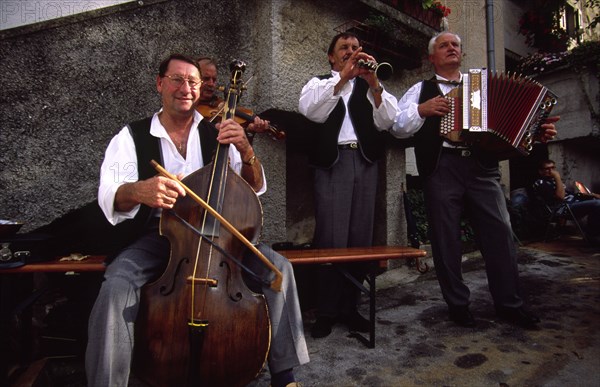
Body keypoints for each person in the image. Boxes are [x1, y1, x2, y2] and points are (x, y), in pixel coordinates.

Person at [85, 53, 308, 387]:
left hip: (222, 236)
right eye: (177, 79)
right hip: (162, 235)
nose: (185, 88)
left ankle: (285, 374)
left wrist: (247, 152)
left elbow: (255, 187)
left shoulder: (216, 133)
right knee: (116, 286)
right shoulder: (132, 136)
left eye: (193, 81)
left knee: (279, 270)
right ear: (160, 83)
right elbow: (110, 193)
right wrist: (140, 190)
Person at [390, 31, 559, 329]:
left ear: (462, 53)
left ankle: (510, 304)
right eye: (444, 45)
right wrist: (421, 109)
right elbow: (398, 127)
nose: (451, 48)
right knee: (445, 241)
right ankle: (458, 306)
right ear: (432, 57)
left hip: (482, 167)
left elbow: (509, 131)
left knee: (500, 234)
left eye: (456, 44)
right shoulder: (421, 88)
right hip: (442, 167)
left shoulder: (480, 87)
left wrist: (536, 134)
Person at [298, 32, 398, 338]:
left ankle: (350, 308)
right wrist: (343, 77)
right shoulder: (319, 83)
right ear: (331, 56)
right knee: (331, 239)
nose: (352, 52)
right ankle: (326, 311)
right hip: (333, 164)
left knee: (359, 240)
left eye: (356, 48)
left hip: (365, 164)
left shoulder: (371, 85)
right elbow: (310, 110)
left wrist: (374, 85)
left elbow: (388, 121)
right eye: (345, 48)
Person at [196, 56, 272, 138]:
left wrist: (248, 131)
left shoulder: (220, 105)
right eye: (206, 78)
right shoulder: (185, 108)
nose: (211, 84)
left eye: (214, 80)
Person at [532, 159, 600, 243]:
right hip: (562, 209)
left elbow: (569, 195)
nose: (551, 171)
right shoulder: (540, 183)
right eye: (547, 169)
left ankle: (594, 232)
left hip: (574, 203)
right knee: (597, 204)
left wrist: (591, 195)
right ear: (541, 171)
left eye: (553, 168)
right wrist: (557, 177)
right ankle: (592, 235)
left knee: (596, 199)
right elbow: (560, 197)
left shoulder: (555, 182)